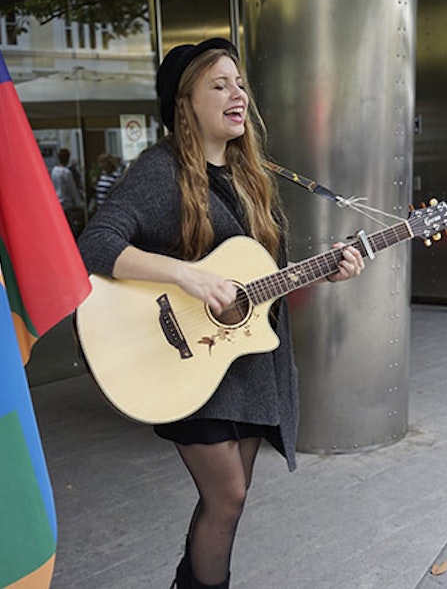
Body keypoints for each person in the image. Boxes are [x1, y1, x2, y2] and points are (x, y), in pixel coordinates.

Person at [77, 38, 365, 588]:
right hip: (182, 359)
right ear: (186, 102)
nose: (238, 95)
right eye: (219, 85)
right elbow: (95, 245)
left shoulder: (251, 177)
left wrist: (325, 270)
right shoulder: (161, 171)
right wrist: (184, 274)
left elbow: (264, 280)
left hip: (246, 363)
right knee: (226, 495)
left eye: (239, 83)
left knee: (229, 505)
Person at [51, 148, 85, 237]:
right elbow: (72, 189)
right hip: (66, 203)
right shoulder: (66, 172)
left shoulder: (54, 171)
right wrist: (79, 203)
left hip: (57, 202)